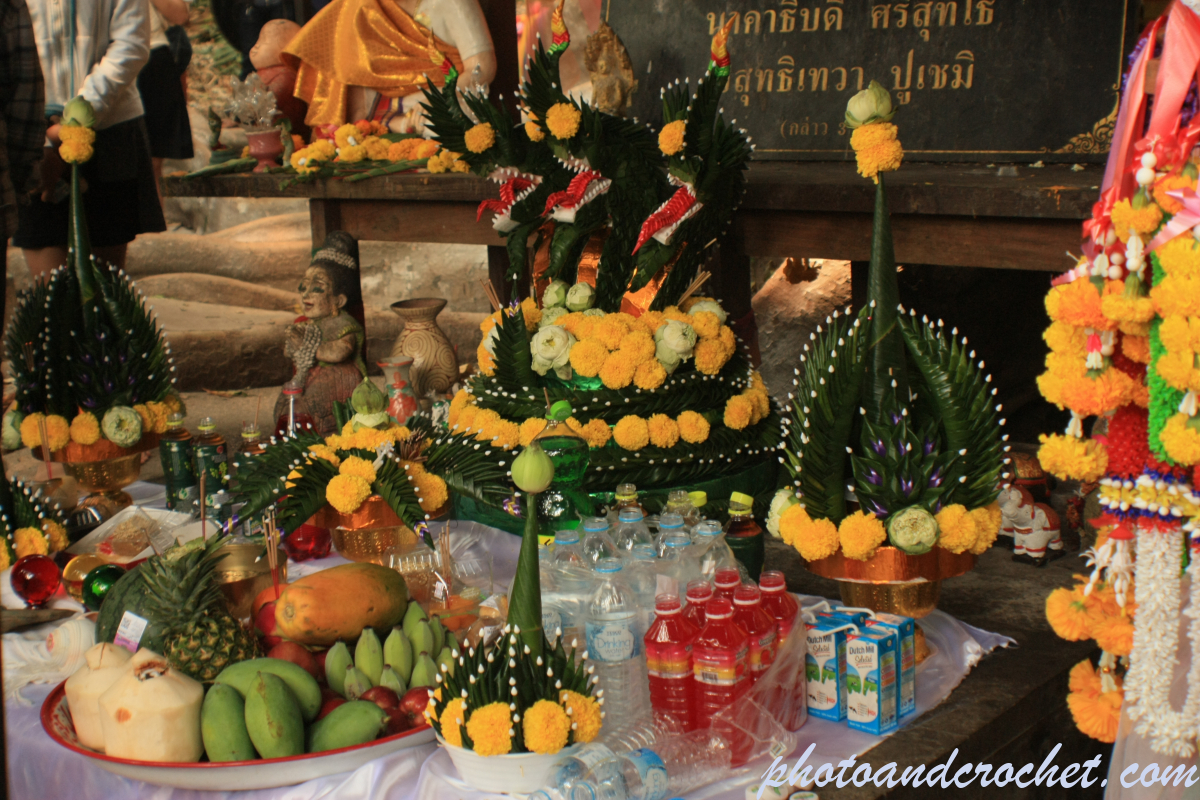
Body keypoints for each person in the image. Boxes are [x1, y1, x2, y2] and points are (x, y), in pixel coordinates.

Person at [18, 0, 166, 280]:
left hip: (109, 127)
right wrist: (45, 138)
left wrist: (72, 125)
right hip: (30, 132)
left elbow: (131, 45)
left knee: (102, 294)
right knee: (52, 296)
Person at [282, 0, 495, 132]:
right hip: (387, 105)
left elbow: (483, 68)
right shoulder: (363, 6)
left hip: (445, 94)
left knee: (446, 121)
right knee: (347, 80)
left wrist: (438, 98)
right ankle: (386, 127)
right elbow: (341, 65)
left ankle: (398, 124)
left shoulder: (450, 2)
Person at [273, 231, 368, 436]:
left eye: (317, 288)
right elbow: (289, 353)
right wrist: (294, 343)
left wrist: (310, 347)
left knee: (315, 406)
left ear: (338, 301)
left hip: (339, 379)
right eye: (304, 286)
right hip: (308, 376)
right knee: (284, 406)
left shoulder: (343, 323)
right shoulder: (304, 325)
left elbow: (341, 351)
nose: (305, 294)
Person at [137, 0, 194, 201]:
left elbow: (180, 15)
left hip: (152, 53)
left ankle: (156, 227)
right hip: (103, 55)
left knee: (152, 162)